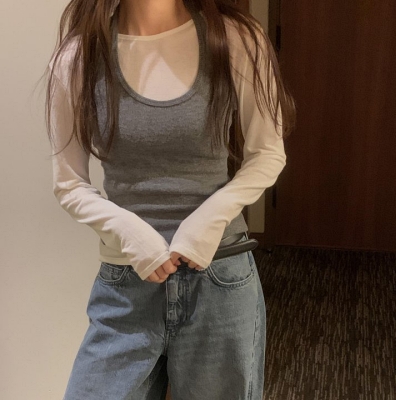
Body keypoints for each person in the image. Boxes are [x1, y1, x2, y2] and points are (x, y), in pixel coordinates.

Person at [46, 0, 295, 399]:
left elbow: (267, 154)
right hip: (126, 285)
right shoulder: (78, 57)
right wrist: (130, 232)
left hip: (220, 276)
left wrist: (206, 221)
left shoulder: (236, 39)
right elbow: (69, 183)